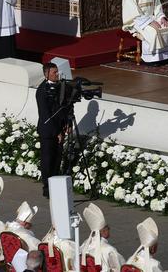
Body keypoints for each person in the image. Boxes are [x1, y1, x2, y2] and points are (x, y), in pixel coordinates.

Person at [36, 62, 71, 198]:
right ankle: (47, 188)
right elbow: (46, 114)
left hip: (59, 128)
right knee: (48, 160)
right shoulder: (42, 90)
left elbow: (66, 107)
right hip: (48, 131)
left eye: (57, 72)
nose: (57, 74)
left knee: (57, 159)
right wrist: (57, 132)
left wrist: (67, 123)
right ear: (46, 74)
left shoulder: (61, 86)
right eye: (54, 72)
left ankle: (56, 184)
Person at [79, 203, 122, 272]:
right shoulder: (109, 249)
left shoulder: (84, 244)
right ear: (104, 231)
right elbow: (120, 267)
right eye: (108, 228)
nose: (109, 229)